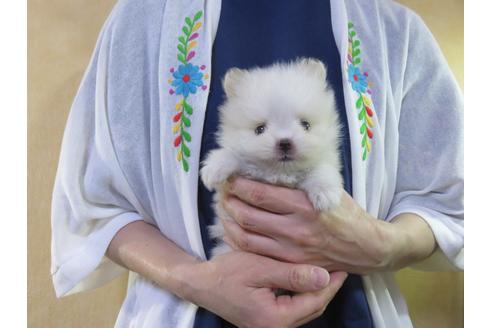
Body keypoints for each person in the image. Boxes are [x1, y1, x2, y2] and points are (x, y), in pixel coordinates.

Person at [50, 0, 463, 327]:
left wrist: (384, 246)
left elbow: (456, 201)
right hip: (186, 316)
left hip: (352, 313)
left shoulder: (395, 32)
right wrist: (196, 280)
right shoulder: (143, 19)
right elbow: (95, 205)